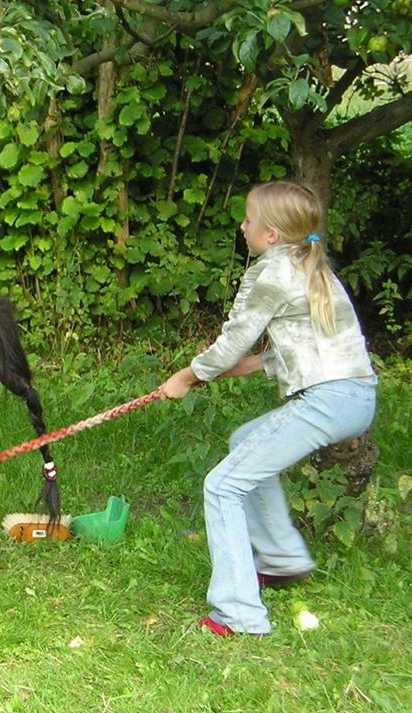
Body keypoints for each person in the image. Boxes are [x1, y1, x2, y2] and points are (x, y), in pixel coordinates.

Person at [159, 180, 377, 636]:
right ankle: (281, 559)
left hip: (328, 401)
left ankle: (238, 614)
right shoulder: (309, 265)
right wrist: (254, 366)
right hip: (354, 397)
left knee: (222, 486)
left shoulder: (273, 272)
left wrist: (188, 376)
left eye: (249, 220)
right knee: (244, 444)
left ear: (272, 235)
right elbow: (316, 345)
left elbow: (234, 337)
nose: (243, 226)